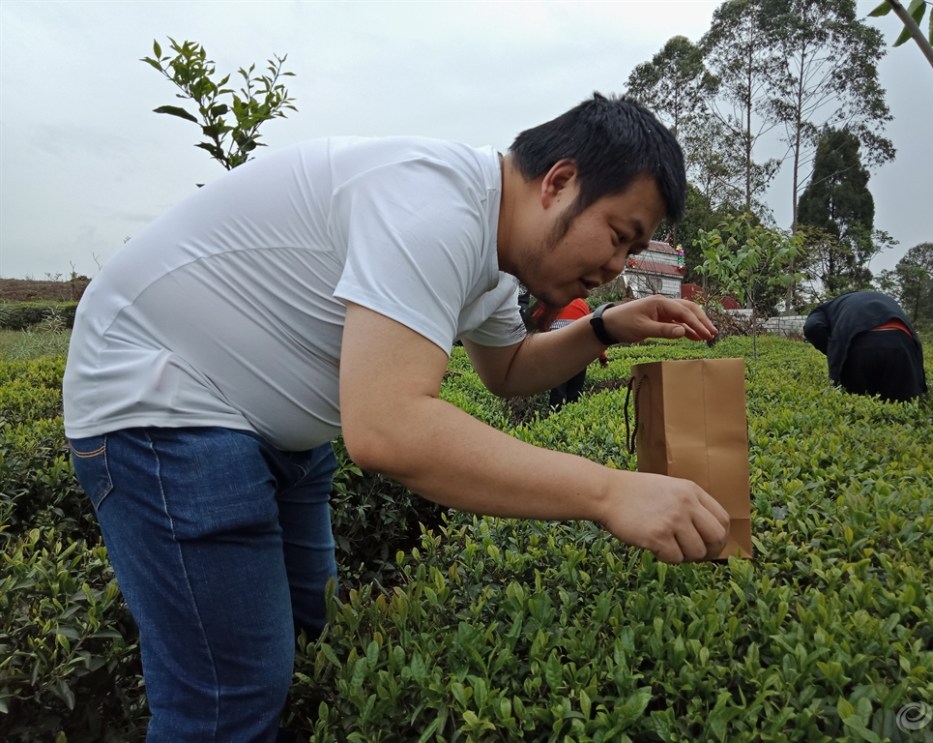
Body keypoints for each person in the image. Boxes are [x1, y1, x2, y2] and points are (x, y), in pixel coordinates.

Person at [62, 92, 729, 741]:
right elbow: (389, 430)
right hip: (163, 408)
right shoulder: (433, 205)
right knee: (228, 697)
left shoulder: (491, 255)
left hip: (270, 431)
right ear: (559, 181)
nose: (615, 267)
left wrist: (607, 328)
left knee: (315, 643)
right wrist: (611, 490)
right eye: (618, 236)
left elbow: (509, 369)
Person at [803, 291, 927, 401]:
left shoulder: (824, 309)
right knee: (902, 408)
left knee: (856, 406)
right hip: (902, 343)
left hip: (860, 345)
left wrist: (835, 350)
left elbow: (812, 327)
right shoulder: (880, 297)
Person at [531, 297, 608, 408]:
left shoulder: (551, 302)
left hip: (557, 350)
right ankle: (572, 417)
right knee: (575, 393)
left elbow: (535, 319)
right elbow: (593, 332)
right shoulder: (582, 304)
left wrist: (546, 331)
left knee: (558, 392)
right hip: (580, 353)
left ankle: (556, 419)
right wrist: (603, 358)